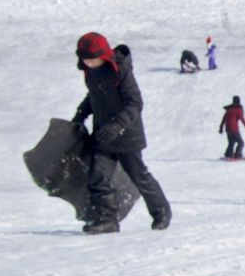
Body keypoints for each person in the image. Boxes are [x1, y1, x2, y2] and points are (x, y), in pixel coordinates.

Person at [72, 32, 173, 234]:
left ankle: (161, 212)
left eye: (92, 59)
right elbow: (94, 96)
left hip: (127, 135)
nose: (89, 63)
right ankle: (107, 219)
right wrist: (80, 114)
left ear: (103, 55)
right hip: (103, 136)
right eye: (85, 60)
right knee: (98, 178)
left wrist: (117, 125)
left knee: (139, 176)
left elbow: (135, 103)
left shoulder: (121, 71)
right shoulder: (90, 71)